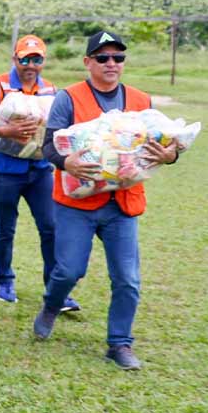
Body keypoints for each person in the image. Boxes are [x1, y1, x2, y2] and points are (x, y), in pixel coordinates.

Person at [33, 30, 179, 370]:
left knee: (127, 278)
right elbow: (49, 145)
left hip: (123, 204)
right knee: (68, 270)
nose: (111, 64)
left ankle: (119, 343)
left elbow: (167, 146)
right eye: (103, 58)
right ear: (88, 63)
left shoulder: (142, 101)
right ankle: (52, 305)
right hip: (77, 202)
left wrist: (171, 155)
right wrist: (65, 162)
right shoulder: (68, 98)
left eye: (118, 58)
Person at [0, 35, 78, 312]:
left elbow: (60, 129)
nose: (30, 65)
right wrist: (7, 131)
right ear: (14, 59)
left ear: (44, 61)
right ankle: (4, 281)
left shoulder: (51, 90)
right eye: (24, 59)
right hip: (4, 170)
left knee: (50, 227)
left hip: (40, 170)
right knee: (6, 226)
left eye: (37, 59)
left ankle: (56, 290)